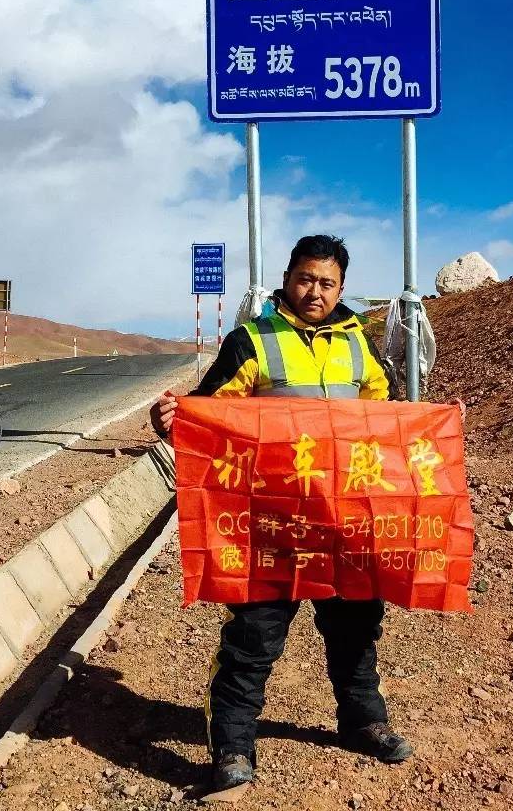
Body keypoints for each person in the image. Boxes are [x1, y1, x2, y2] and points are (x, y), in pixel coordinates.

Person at [150, 234, 413, 793]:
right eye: (305, 279)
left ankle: (364, 721)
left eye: (327, 283)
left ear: (342, 288)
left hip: (345, 519)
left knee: (356, 630)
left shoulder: (359, 346)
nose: (314, 291)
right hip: (270, 520)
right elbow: (209, 414)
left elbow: (388, 416)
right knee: (253, 636)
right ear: (287, 278)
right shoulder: (251, 341)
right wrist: (171, 418)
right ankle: (233, 749)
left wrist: (436, 423)